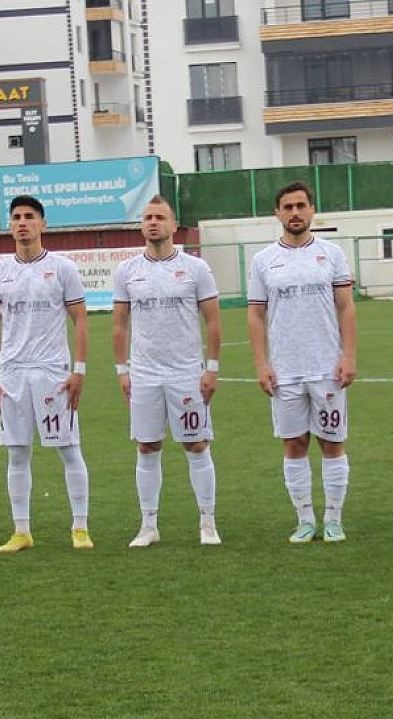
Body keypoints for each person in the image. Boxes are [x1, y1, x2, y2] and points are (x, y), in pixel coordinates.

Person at [248, 181, 359, 543]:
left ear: (312, 210)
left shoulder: (332, 254)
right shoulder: (264, 260)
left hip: (327, 367)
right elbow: (255, 316)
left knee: (332, 442)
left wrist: (349, 355)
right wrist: (262, 364)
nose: (295, 213)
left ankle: (334, 519)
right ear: (277, 214)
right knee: (294, 444)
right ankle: (304, 519)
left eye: (301, 206)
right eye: (287, 207)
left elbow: (346, 306)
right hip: (285, 371)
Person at [111, 195, 223, 547]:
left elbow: (213, 320)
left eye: (160, 217)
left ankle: (207, 522)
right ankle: (148, 525)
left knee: (196, 444)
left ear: (174, 226)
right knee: (146, 446)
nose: (153, 222)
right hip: (144, 374)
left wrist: (212, 369)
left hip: (186, 372)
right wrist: (122, 370)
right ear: (141, 226)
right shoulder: (128, 271)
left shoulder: (195, 268)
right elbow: (119, 325)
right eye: (148, 217)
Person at [0, 195, 93, 552]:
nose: (22, 223)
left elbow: (80, 321)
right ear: (9, 225)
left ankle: (80, 527)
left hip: (52, 371)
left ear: (43, 224)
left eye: (30, 217)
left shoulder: (63, 269)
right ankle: (21, 531)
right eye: (16, 217)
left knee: (67, 447)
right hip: (12, 372)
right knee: (17, 452)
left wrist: (79, 370)